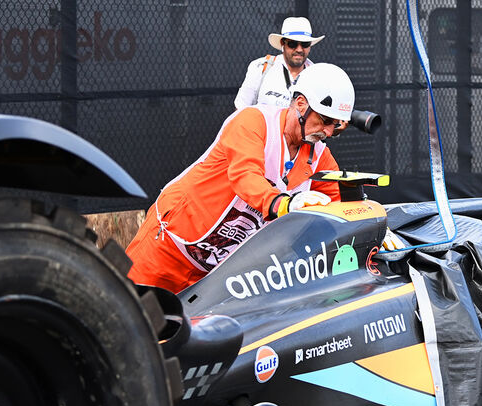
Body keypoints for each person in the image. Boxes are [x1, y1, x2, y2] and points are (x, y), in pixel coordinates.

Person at [127, 63, 354, 293]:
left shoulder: (319, 155)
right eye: (325, 120)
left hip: (215, 274)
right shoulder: (254, 121)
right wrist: (284, 203)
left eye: (335, 126)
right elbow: (246, 176)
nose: (327, 132)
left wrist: (376, 230)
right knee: (124, 314)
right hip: (169, 247)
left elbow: (338, 202)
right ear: (301, 103)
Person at [234, 17, 325, 109]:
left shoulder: (317, 76)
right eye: (292, 44)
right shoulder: (262, 67)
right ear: (282, 43)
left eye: (305, 44)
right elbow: (240, 110)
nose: (299, 49)